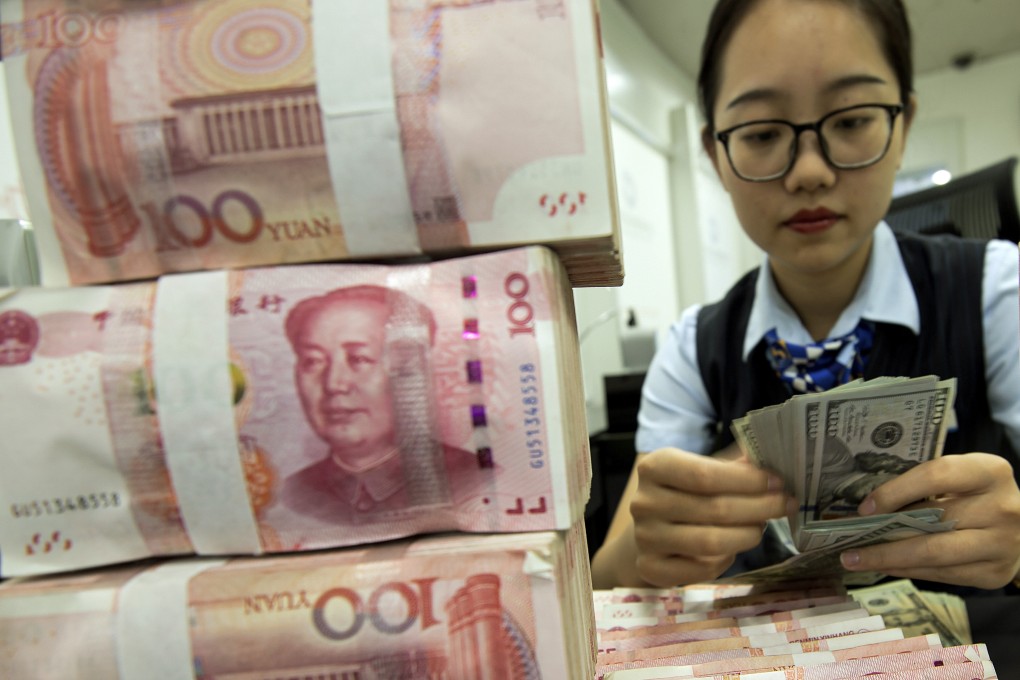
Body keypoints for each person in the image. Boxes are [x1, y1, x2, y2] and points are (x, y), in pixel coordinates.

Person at [590, 0, 1020, 592]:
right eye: (763, 133)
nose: (809, 172)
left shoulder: (998, 291)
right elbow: (605, 581)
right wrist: (647, 550)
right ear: (715, 155)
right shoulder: (693, 348)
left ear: (903, 127)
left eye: (851, 120)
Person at [278, 284, 492, 522]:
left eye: (359, 359)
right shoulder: (289, 495)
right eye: (312, 361)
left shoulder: (477, 479)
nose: (333, 384)